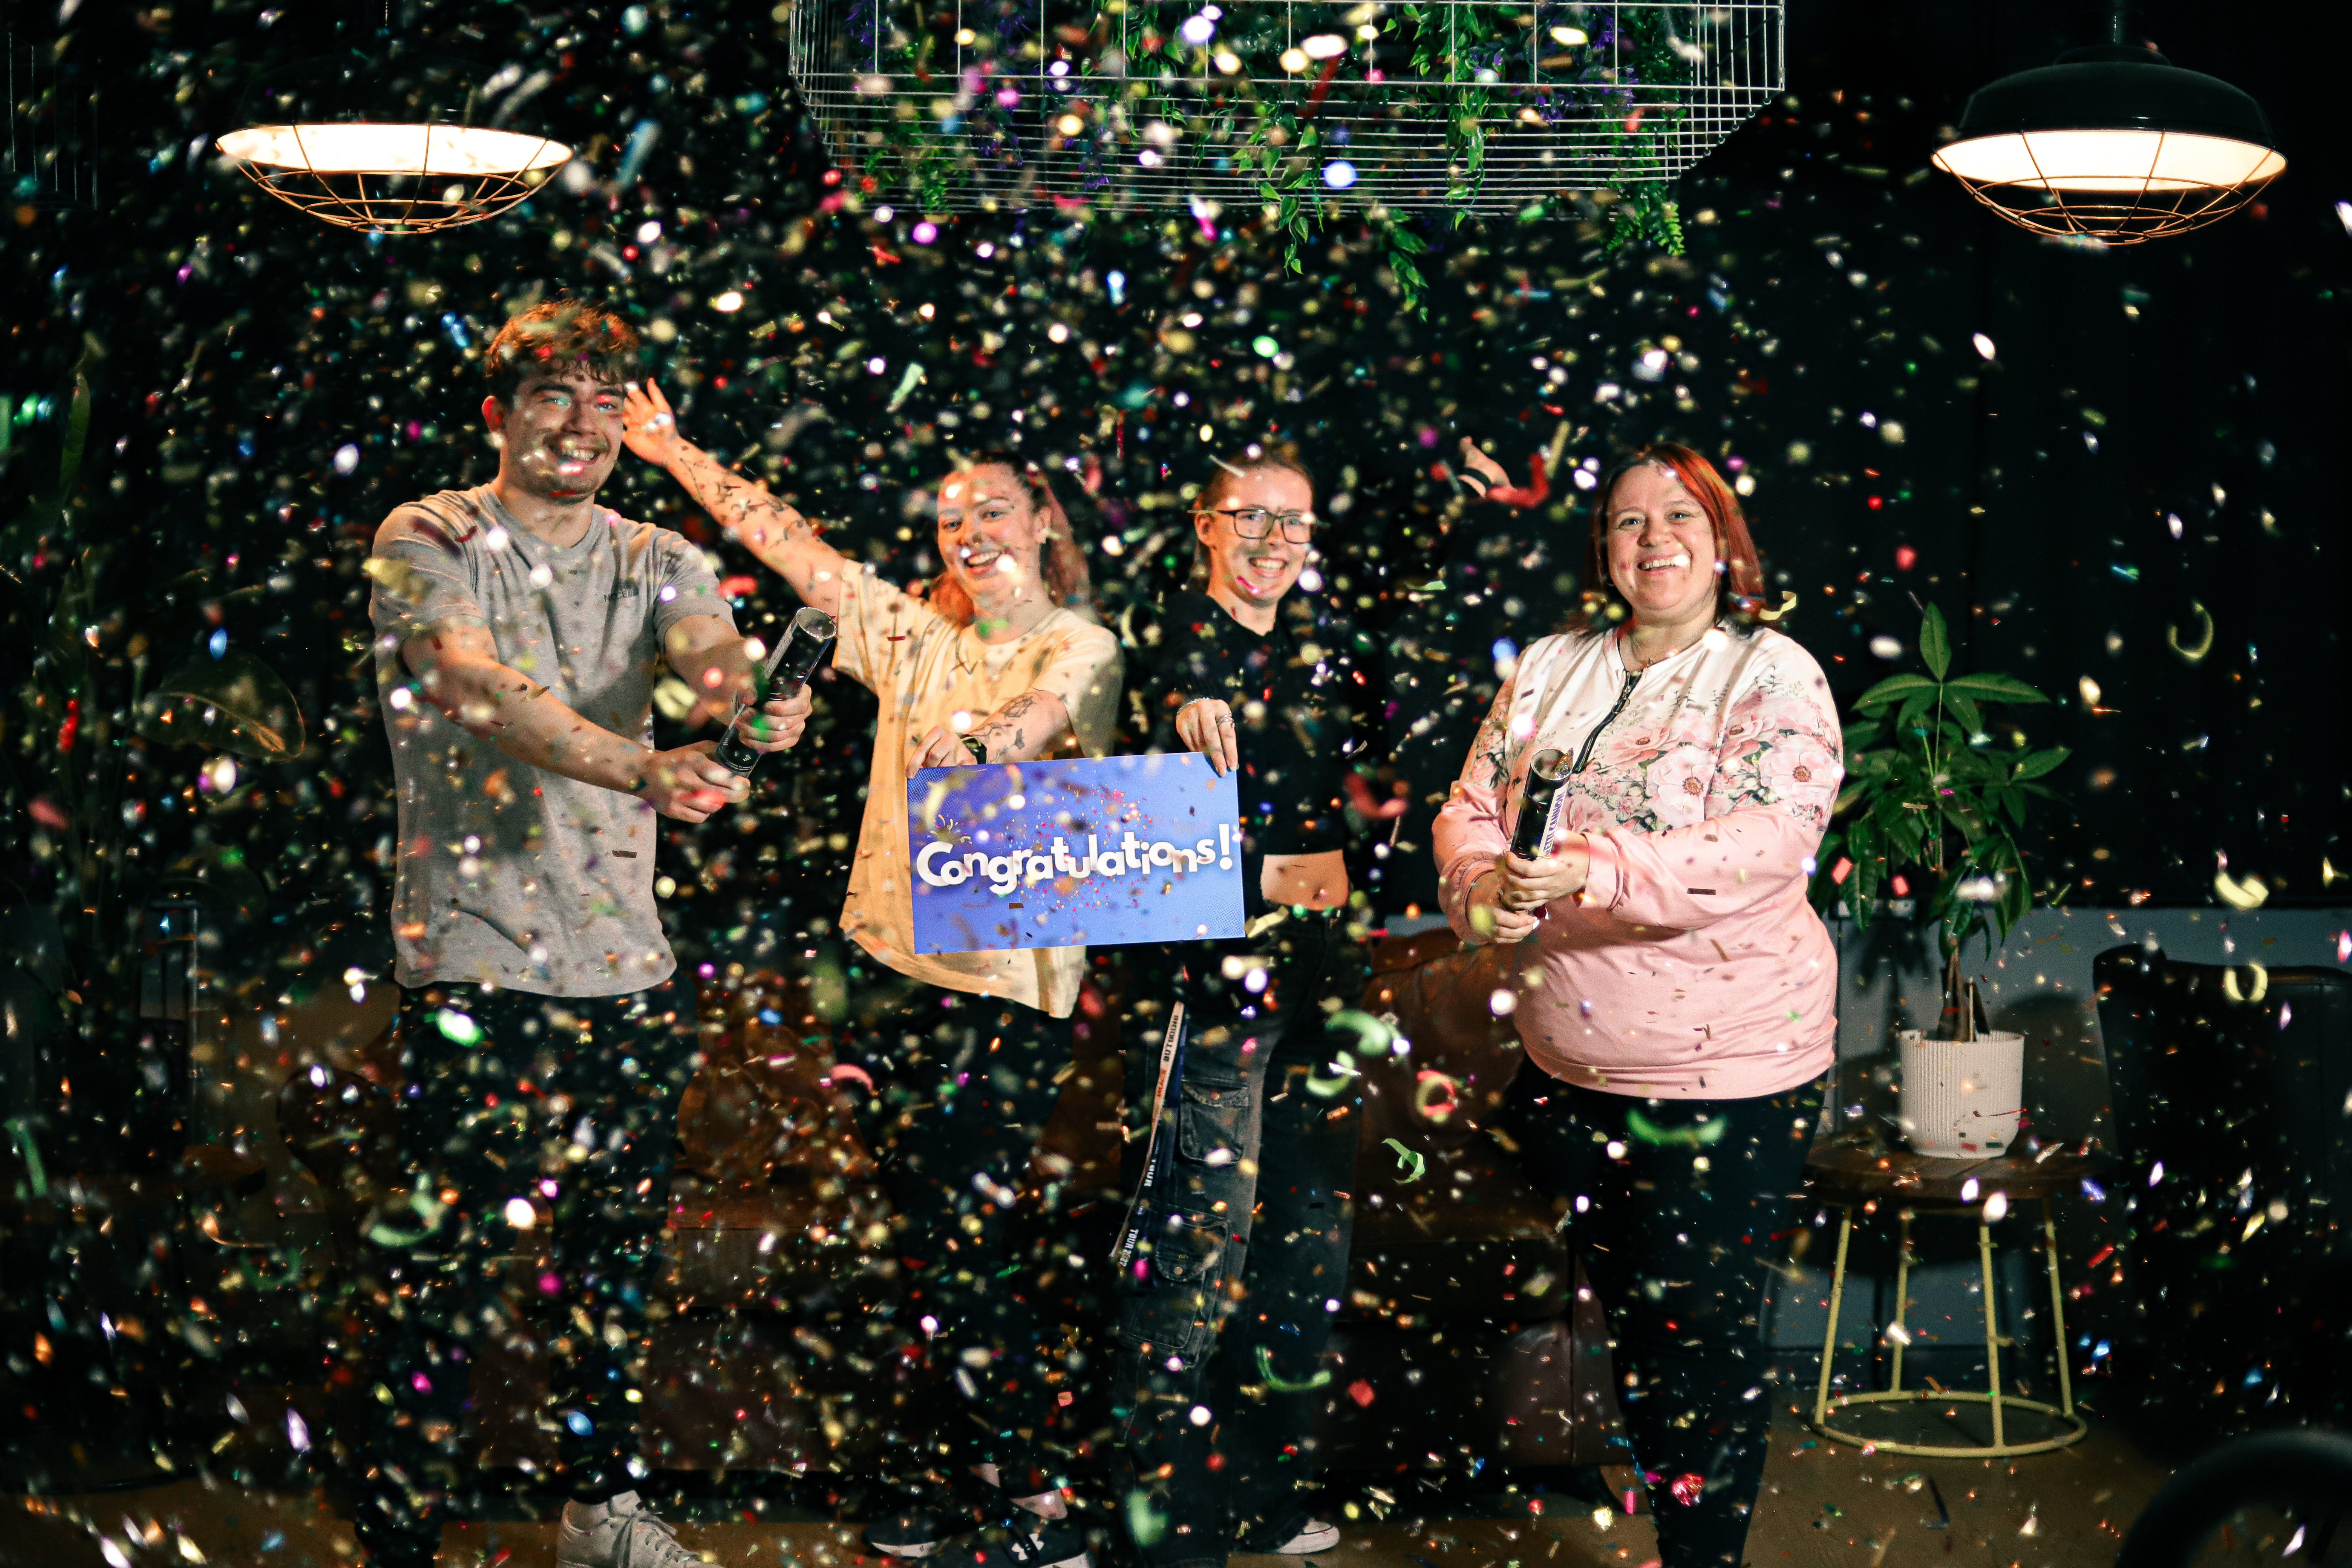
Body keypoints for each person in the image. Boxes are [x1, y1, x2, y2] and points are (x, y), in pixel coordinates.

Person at [623, 383, 1121, 1568]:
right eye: (953, 518)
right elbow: (789, 544)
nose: (973, 531)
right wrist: (668, 447)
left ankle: (1036, 1499)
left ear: (1042, 521)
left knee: (973, 1235)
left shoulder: (1081, 641)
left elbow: (1051, 714)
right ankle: (959, 1473)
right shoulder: (913, 639)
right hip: (893, 974)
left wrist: (987, 739)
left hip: (1008, 989)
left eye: (995, 509)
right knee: (924, 1236)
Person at [355, 298, 812, 1568]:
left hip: (626, 972)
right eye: (552, 396)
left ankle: (598, 1510)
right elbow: (466, 680)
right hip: (474, 958)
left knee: (611, 1266)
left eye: (607, 402)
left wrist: (751, 710)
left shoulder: (657, 548)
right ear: (498, 414)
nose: (582, 424)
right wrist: (640, 767)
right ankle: (401, 1527)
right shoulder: (428, 532)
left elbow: (708, 655)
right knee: (441, 1270)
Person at [1433, 442, 1840, 1568]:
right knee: (1640, 1338)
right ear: (1600, 546)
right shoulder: (1553, 665)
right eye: (1625, 520)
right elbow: (1472, 805)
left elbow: (1770, 842)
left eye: (1680, 517)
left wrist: (1592, 871)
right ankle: (1672, 1529)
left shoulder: (1773, 672)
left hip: (1726, 1083)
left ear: (1724, 543)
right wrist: (1478, 895)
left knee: (1701, 1350)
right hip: (1572, 1073)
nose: (1653, 540)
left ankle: (1701, 1557)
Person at [1110, 447, 1379, 1568]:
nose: (1276, 541)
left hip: (1327, 985)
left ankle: (1264, 1494)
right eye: (1252, 518)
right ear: (1206, 526)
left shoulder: (1327, 652)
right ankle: (1161, 1523)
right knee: (1193, 1253)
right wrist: (1186, 698)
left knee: (1303, 1256)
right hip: (1212, 992)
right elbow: (1163, 699)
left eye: (1297, 524)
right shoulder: (1169, 636)